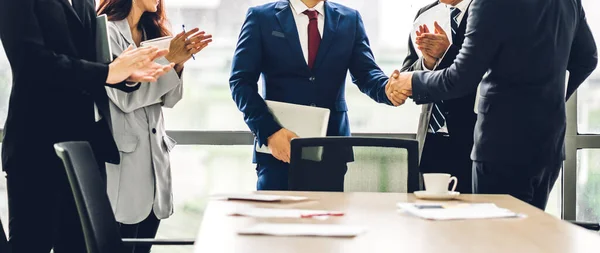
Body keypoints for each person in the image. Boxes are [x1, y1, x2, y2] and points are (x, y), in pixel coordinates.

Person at [388, 0, 598, 209]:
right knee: (528, 233)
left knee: (494, 234)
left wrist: (413, 81)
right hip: (548, 142)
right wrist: (550, 100)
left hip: (502, 145)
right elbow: (587, 59)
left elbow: (461, 77)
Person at [0, 0, 174, 252]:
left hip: (85, 151)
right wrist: (107, 73)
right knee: (30, 244)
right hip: (35, 147)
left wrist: (124, 74)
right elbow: (30, 63)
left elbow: (90, 61)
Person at [230, 0, 405, 191]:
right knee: (276, 218)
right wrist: (269, 132)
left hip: (331, 147)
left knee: (328, 219)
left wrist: (388, 89)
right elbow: (241, 82)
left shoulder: (350, 19)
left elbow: (367, 74)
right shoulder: (261, 17)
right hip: (279, 146)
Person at [97, 0, 212, 252]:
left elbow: (170, 99)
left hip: (154, 169)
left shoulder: (155, 35)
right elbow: (125, 97)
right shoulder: (106, 32)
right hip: (125, 168)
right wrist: (169, 60)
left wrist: (178, 63)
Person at [401, 0, 476, 194]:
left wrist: (447, 53)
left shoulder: (486, 11)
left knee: (472, 216)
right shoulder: (425, 14)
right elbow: (408, 72)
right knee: (429, 215)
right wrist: (428, 62)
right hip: (431, 138)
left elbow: (480, 74)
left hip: (472, 137)